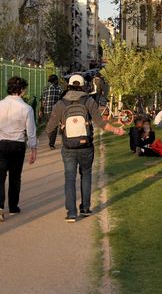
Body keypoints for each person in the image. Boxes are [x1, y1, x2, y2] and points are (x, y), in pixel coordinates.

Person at [46, 74, 124, 222]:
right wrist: (116, 130)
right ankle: (86, 208)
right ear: (83, 86)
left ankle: (71, 213)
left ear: (68, 85)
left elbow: (50, 128)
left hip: (68, 146)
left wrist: (52, 137)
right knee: (86, 175)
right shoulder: (88, 101)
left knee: (69, 178)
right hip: (86, 145)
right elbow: (101, 123)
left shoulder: (61, 104)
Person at [0, 77, 38, 221]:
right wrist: (33, 149)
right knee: (15, 177)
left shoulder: (0, 105)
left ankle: (0, 207)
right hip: (17, 145)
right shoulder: (26, 108)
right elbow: (31, 131)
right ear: (21, 90)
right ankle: (13, 206)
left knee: (0, 177)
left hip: (1, 143)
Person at [41, 74, 61, 149]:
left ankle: (50, 139)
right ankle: (51, 143)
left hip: (47, 111)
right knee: (55, 127)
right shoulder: (59, 88)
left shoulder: (46, 88)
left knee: (48, 126)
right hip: (56, 111)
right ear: (55, 80)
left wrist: (41, 110)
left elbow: (43, 100)